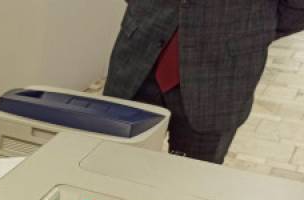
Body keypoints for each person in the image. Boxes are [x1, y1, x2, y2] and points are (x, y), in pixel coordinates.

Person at [104, 1, 304, 164]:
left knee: (191, 185)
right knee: (113, 166)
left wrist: (256, 31)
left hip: (221, 75)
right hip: (139, 51)